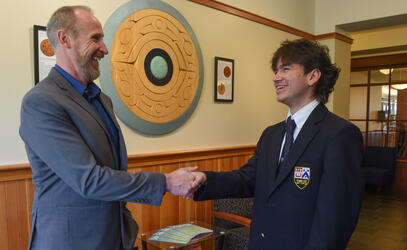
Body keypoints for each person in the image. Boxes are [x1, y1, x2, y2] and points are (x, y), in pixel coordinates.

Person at [19, 6, 199, 250]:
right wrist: (166, 182)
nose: (104, 49)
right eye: (95, 38)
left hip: (114, 237)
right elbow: (89, 180)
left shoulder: (103, 100)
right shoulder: (41, 102)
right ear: (65, 39)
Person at [192, 38, 364, 249]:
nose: (276, 78)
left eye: (285, 69)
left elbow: (336, 217)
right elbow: (247, 179)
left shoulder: (340, 135)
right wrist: (203, 179)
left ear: (313, 76)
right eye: (276, 70)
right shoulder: (271, 135)